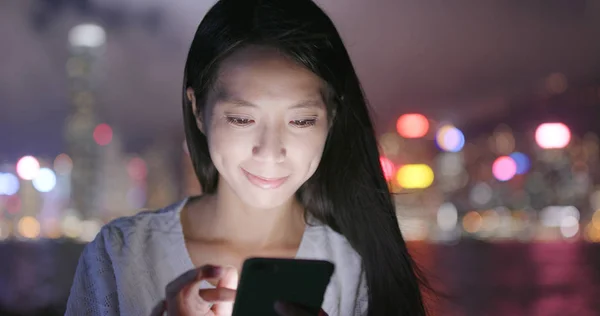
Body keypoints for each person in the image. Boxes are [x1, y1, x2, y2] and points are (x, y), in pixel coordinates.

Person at [65, 0, 430, 315]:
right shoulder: (120, 257)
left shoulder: (353, 268)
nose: (270, 150)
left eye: (301, 120)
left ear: (331, 118)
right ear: (197, 111)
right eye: (241, 119)